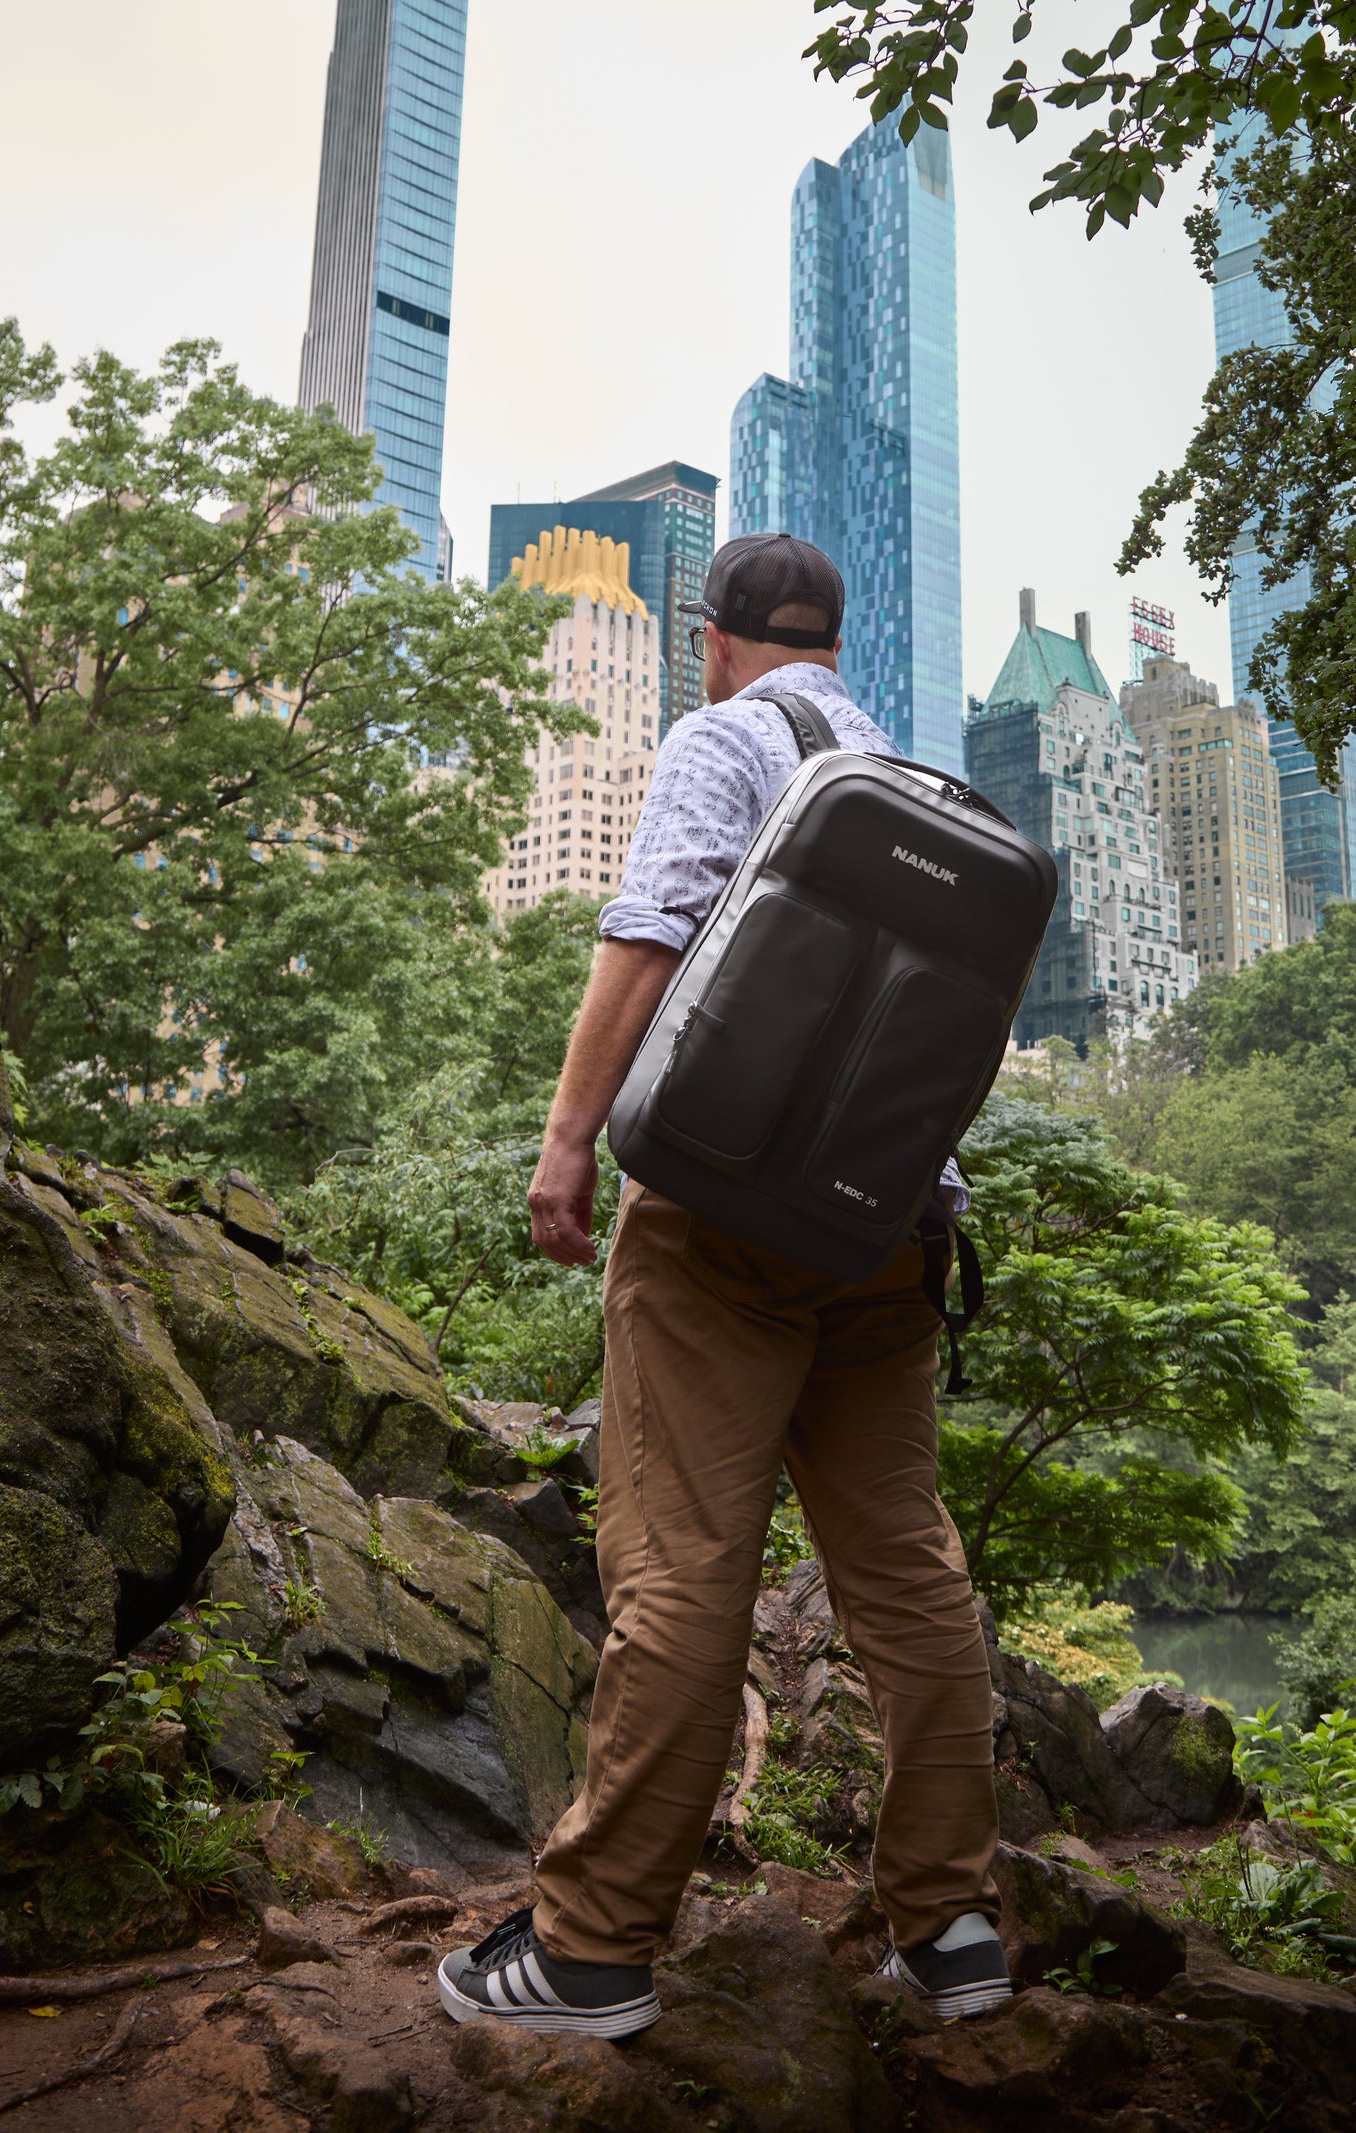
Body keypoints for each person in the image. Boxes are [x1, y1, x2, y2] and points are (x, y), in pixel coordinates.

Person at [437, 533, 1009, 2035]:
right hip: (888, 1230)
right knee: (906, 1565)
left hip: (718, 1223)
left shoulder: (719, 737)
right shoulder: (911, 770)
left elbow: (646, 939)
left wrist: (569, 1148)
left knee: (683, 1562)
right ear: (834, 639)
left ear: (715, 638)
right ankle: (953, 1925)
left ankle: (595, 1949)